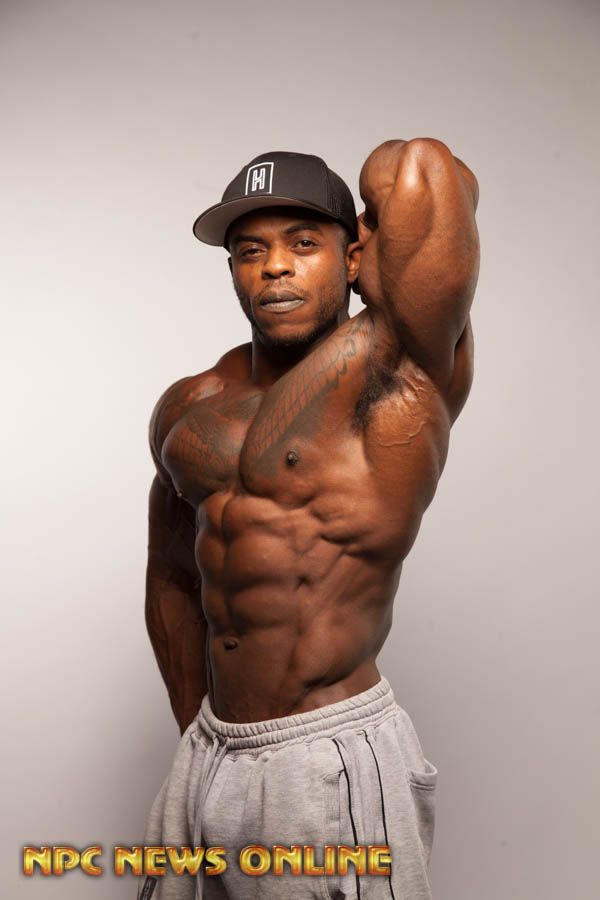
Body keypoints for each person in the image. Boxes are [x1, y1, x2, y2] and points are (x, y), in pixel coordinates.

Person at [138, 141, 479, 900]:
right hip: (209, 749)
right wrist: (198, 734)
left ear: (354, 257)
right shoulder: (189, 404)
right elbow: (173, 575)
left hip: (324, 753)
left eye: (303, 243)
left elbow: (420, 170)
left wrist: (377, 199)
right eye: (250, 251)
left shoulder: (398, 369)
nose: (275, 268)